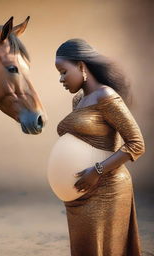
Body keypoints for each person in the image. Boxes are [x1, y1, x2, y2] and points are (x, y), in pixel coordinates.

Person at [55, 38, 145, 256]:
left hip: (108, 190)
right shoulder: (79, 101)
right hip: (80, 193)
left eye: (63, 71)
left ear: (81, 66)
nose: (60, 79)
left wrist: (97, 171)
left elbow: (136, 144)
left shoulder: (106, 96)